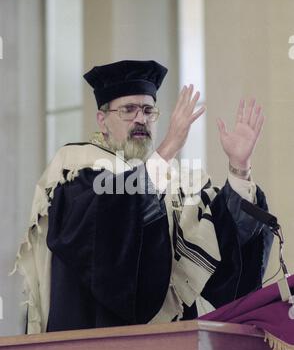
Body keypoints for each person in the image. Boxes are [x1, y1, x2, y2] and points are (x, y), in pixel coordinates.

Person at [13, 60, 273, 334]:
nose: (141, 118)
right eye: (128, 110)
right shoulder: (77, 169)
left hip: (175, 346)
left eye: (148, 110)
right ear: (102, 120)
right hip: (96, 341)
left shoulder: (178, 182)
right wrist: (169, 148)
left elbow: (222, 251)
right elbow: (108, 223)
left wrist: (239, 169)